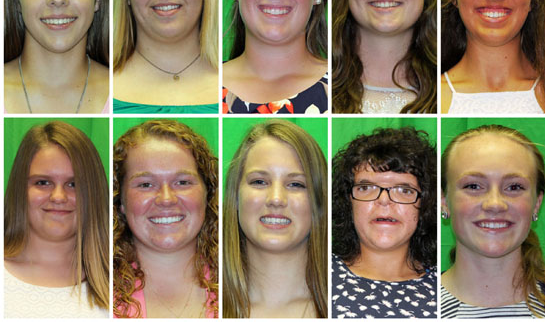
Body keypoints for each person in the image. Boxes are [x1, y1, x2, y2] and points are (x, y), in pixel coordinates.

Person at [113, 119, 218, 318]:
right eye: (145, 185)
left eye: (182, 182)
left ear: (208, 194)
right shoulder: (93, 295)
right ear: (121, 201)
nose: (166, 199)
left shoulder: (239, 288)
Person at [4, 121, 109, 317]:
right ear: (20, 189)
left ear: (94, 192)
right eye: (43, 182)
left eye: (73, 184)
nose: (58, 197)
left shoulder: (120, 282)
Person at [223, 119, 327, 317]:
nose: (276, 199)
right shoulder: (208, 307)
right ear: (235, 195)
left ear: (318, 200)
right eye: (260, 181)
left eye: (296, 184)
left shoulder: (344, 307)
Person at [441, 124, 545, 318]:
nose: (495, 204)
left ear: (537, 204)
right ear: (444, 201)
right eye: (473, 186)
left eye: (514, 187)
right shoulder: (420, 303)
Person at [332, 127, 437, 318]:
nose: (384, 200)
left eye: (404, 190)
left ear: (425, 203)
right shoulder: (317, 276)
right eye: (367, 187)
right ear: (348, 200)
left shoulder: (443, 288)